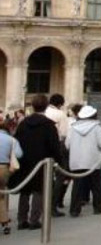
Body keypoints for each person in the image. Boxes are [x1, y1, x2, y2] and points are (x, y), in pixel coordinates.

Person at [11, 95, 62, 230]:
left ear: (32, 106)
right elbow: (54, 146)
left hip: (25, 160)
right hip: (42, 161)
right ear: (46, 106)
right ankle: (34, 219)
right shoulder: (48, 125)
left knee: (25, 190)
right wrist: (59, 161)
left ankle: (21, 219)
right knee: (39, 190)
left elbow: (16, 141)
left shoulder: (23, 123)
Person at [66, 104, 101, 217]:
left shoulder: (73, 128)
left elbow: (67, 144)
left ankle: (74, 209)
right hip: (93, 160)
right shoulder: (96, 127)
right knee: (96, 185)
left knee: (77, 186)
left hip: (77, 161)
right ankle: (98, 207)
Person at [45, 94, 69, 217]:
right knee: (60, 176)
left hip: (43, 146)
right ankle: (52, 205)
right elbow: (64, 133)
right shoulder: (61, 114)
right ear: (60, 104)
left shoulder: (45, 112)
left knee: (45, 176)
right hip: (57, 145)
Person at [0, 118, 23, 235]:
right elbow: (19, 154)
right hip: (4, 168)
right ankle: (4, 222)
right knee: (2, 195)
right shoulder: (11, 139)